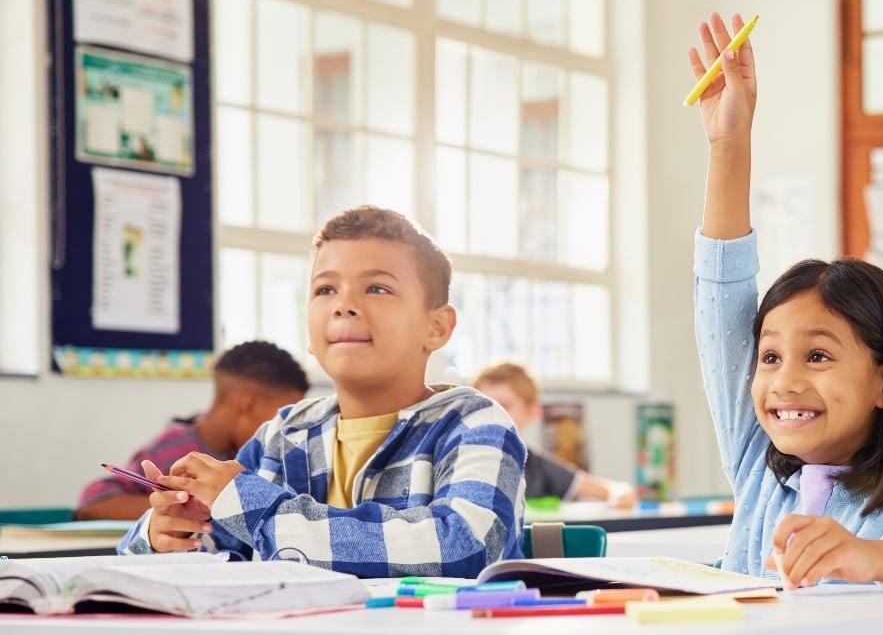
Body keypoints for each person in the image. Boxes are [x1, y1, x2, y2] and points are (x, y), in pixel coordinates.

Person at [689, 12, 883, 589]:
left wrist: (871, 556)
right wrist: (728, 143)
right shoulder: (758, 463)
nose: (784, 381)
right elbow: (721, 301)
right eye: (770, 357)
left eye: (817, 356)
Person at [118, 206, 528, 578]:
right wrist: (167, 535)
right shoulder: (282, 434)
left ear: (436, 327)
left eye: (378, 288)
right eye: (325, 290)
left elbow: (466, 549)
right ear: (310, 334)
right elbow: (215, 555)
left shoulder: (475, 423)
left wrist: (255, 505)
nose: (343, 305)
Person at [76, 341, 310, 521]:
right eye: (283, 416)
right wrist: (187, 504)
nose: (286, 430)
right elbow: (92, 502)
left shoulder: (250, 455)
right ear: (248, 405)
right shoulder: (178, 447)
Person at [474, 362, 639, 509]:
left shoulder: (534, 465)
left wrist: (620, 493)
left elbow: (612, 489)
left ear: (532, 412)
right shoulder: (457, 459)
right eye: (483, 406)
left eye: (504, 406)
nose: (491, 414)